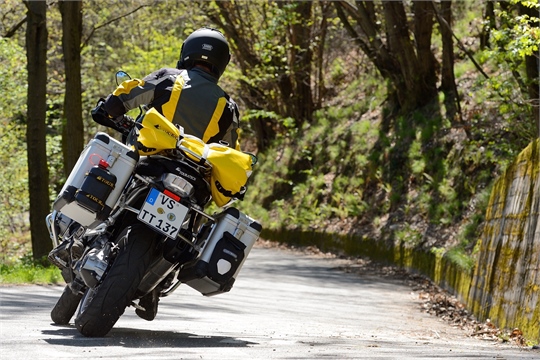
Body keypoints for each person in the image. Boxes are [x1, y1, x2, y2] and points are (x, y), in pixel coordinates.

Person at [92, 27, 241, 150]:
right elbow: (230, 151)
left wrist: (109, 109)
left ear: (187, 50)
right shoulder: (229, 107)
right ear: (223, 61)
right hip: (192, 176)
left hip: (147, 157)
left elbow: (123, 97)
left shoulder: (169, 77)